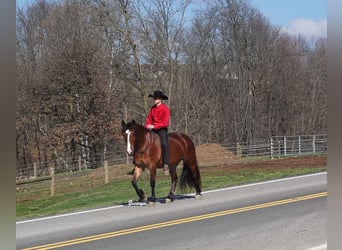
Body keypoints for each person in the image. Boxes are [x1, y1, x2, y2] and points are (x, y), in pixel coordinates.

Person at [145, 90, 170, 175]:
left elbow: (165, 123)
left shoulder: (165, 109)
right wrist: (147, 126)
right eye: (154, 98)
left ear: (160, 99)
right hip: (153, 130)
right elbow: (149, 119)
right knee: (146, 143)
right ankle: (147, 163)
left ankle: (166, 164)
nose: (154, 100)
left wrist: (154, 126)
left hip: (162, 130)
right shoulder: (152, 109)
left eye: (156, 98)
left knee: (164, 144)